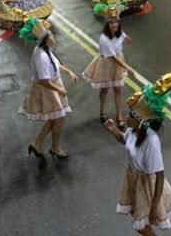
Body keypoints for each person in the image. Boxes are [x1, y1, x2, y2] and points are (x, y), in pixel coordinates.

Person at [103, 64, 171, 235]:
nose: (127, 117)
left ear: (141, 119)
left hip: (147, 185)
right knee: (140, 223)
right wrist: (113, 130)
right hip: (134, 179)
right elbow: (126, 141)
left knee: (142, 226)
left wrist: (155, 207)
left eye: (131, 115)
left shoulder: (151, 141)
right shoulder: (133, 130)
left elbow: (160, 176)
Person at [19, 24, 78, 159]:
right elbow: (44, 80)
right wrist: (60, 89)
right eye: (50, 35)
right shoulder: (41, 56)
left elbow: (56, 64)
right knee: (59, 118)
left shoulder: (45, 49)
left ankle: (37, 143)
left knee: (54, 119)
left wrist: (68, 71)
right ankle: (55, 148)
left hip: (51, 86)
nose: (53, 36)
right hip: (48, 89)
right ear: (45, 39)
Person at [83, 17, 136, 127]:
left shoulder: (119, 33)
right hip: (107, 63)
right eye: (111, 22)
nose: (114, 24)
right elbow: (112, 57)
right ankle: (102, 112)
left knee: (118, 89)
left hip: (117, 61)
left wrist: (124, 38)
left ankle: (119, 116)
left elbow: (127, 40)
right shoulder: (104, 38)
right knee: (105, 89)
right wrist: (127, 68)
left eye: (116, 22)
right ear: (107, 24)